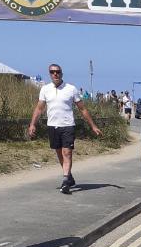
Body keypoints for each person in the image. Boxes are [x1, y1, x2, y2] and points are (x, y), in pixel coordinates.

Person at [28, 64, 102, 194]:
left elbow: (82, 109)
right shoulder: (45, 89)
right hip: (52, 126)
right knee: (59, 153)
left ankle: (65, 181)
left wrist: (93, 126)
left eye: (57, 72)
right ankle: (69, 176)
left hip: (68, 126)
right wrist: (32, 124)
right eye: (52, 72)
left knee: (67, 153)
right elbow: (39, 108)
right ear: (49, 74)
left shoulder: (71, 89)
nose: (55, 74)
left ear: (62, 73)